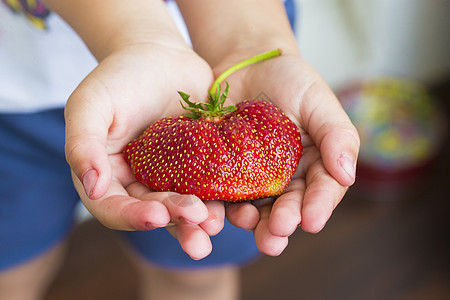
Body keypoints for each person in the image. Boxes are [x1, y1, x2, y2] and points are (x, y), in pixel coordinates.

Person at [0, 0, 360, 299]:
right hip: (15, 96)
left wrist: (246, 42)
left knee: (195, 276)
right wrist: (141, 39)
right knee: (10, 269)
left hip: (222, 57)